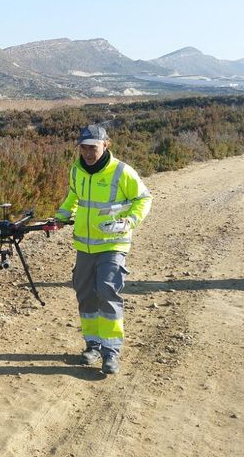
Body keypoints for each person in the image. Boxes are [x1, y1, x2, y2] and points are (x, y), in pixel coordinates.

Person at [55, 122, 152, 374]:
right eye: (84, 148)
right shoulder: (77, 170)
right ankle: (93, 345)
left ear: (106, 145)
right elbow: (73, 197)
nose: (88, 153)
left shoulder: (121, 171)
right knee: (86, 295)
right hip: (84, 246)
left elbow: (143, 199)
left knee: (107, 292)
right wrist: (61, 216)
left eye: (93, 148)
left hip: (113, 245)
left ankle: (111, 352)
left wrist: (129, 221)